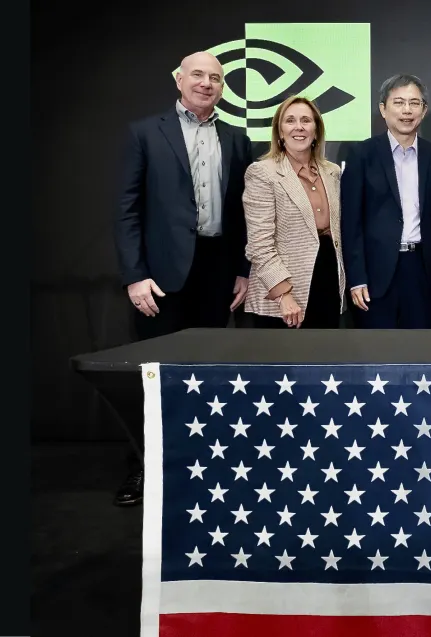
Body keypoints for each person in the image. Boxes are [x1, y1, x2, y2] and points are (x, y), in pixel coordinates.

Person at [111, 51, 253, 507]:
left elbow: (240, 212)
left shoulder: (236, 137)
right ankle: (145, 469)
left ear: (223, 87)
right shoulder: (144, 132)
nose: (207, 83)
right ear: (178, 79)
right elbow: (127, 209)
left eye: (216, 77)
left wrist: (243, 271)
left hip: (217, 273)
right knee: (154, 374)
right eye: (198, 75)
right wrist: (135, 275)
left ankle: (204, 466)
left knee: (208, 373)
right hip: (161, 274)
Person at [340, 74, 431, 328]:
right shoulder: (361, 155)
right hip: (376, 274)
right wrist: (357, 278)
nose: (406, 111)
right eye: (399, 102)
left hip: (423, 270)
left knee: (422, 353)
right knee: (377, 354)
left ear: (424, 111)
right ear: (383, 109)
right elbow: (351, 223)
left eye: (414, 103)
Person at [242, 96, 346, 329]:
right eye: (290, 121)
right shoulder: (262, 173)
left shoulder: (332, 172)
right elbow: (259, 244)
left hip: (327, 279)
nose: (298, 127)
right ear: (279, 132)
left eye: (306, 121)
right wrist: (283, 293)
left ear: (316, 131)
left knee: (323, 361)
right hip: (283, 291)